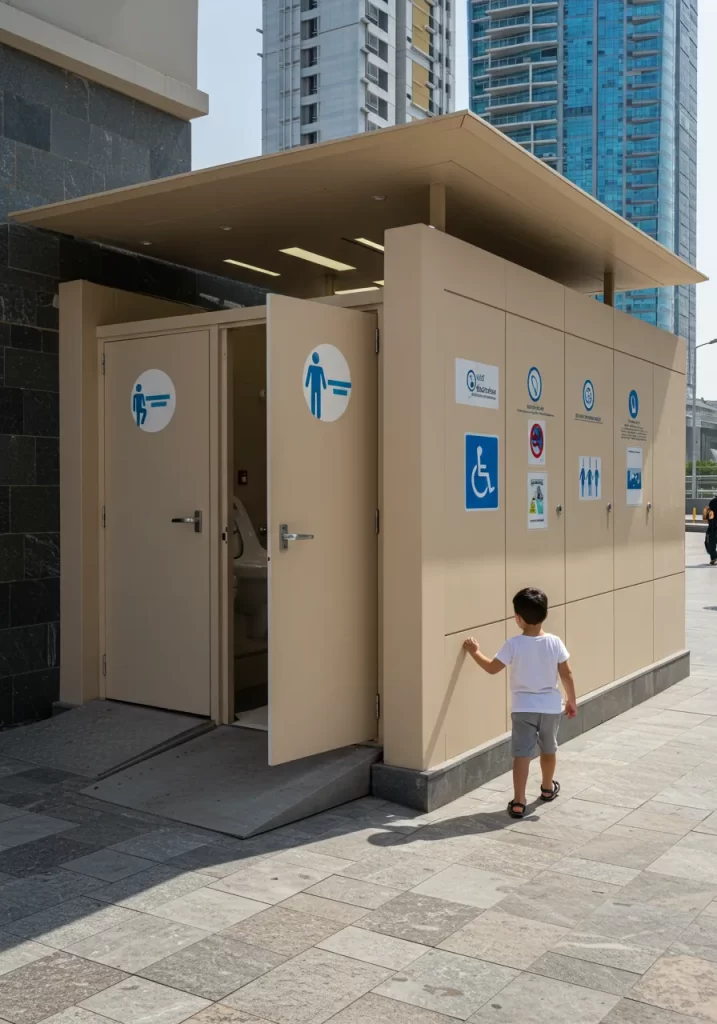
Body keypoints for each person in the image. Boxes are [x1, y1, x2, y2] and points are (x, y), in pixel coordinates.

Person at [463, 587, 577, 819]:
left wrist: (475, 652)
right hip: (550, 708)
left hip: (523, 708)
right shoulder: (555, 642)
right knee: (549, 748)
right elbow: (567, 674)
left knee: (522, 755)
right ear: (545, 614)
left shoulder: (513, 644)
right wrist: (572, 701)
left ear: (518, 618)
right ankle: (547, 789)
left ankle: (518, 801)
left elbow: (493, 668)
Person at [705, 495, 717, 565]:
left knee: (709, 543)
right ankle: (714, 557)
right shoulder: (713, 501)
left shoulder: (712, 502)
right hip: (713, 526)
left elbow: (707, 515)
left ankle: (714, 557)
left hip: (712, 527)